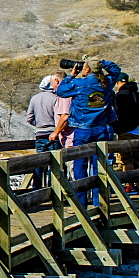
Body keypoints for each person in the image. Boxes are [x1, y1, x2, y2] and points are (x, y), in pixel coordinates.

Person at [55, 55, 121, 205]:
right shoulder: (107, 83)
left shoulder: (79, 84)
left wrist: (71, 75)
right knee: (101, 168)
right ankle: (99, 203)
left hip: (83, 130)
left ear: (87, 69)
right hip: (102, 129)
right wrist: (101, 62)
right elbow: (116, 69)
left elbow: (61, 91)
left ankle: (82, 204)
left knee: (80, 166)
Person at [27, 72, 63, 188]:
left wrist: (38, 125)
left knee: (39, 163)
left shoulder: (34, 98)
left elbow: (29, 118)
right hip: (53, 134)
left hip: (39, 134)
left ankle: (36, 189)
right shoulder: (57, 99)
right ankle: (53, 189)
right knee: (54, 164)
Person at [111, 73, 139, 174]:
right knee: (136, 158)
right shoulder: (137, 94)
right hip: (138, 131)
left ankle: (129, 184)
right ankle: (138, 184)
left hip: (125, 131)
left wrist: (117, 127)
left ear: (118, 83)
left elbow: (118, 113)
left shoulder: (120, 96)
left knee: (127, 159)